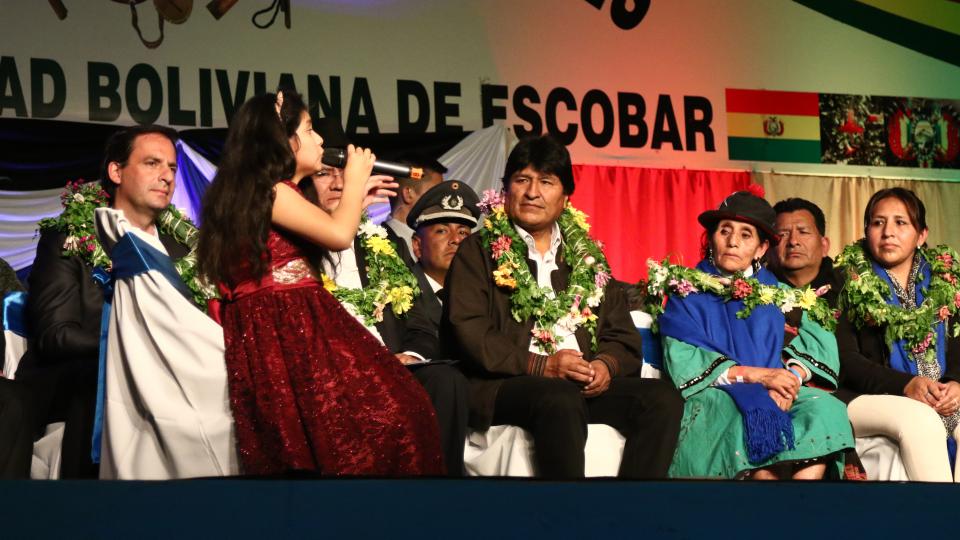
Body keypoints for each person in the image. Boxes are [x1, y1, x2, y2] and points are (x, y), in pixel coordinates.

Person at [197, 91, 443, 476]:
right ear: (283, 139)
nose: (321, 141)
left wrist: (354, 201)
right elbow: (339, 236)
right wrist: (355, 178)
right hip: (289, 327)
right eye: (310, 130)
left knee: (394, 411)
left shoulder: (268, 192)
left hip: (288, 324)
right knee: (393, 412)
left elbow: (320, 233)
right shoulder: (271, 189)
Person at [441, 134, 683, 479]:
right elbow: (470, 331)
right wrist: (543, 366)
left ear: (565, 196)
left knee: (662, 399)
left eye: (546, 181)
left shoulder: (586, 257)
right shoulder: (477, 251)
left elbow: (622, 336)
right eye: (522, 180)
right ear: (506, 189)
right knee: (559, 397)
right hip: (505, 385)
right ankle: (568, 509)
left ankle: (632, 505)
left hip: (578, 383)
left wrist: (605, 365)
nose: (532, 192)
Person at [19, 125, 190, 478]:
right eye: (152, 163)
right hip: (85, 381)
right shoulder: (70, 239)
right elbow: (56, 335)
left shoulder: (185, 250)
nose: (166, 176)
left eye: (172, 167)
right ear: (116, 171)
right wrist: (136, 343)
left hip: (174, 380)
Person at [657, 189, 854, 479]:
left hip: (778, 389)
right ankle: (765, 499)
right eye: (725, 231)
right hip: (717, 393)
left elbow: (818, 345)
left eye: (745, 235)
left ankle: (805, 500)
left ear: (761, 249)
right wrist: (761, 377)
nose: (733, 241)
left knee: (825, 408)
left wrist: (788, 382)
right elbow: (683, 361)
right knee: (749, 418)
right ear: (711, 239)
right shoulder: (686, 294)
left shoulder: (782, 295)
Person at [299, 158, 470, 477]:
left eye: (345, 175)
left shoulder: (385, 247)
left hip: (393, 367)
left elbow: (421, 325)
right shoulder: (296, 247)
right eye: (323, 174)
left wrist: (411, 355)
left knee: (446, 379)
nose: (339, 184)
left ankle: (443, 495)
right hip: (333, 371)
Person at [835, 187, 960, 481]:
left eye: (900, 222)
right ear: (866, 231)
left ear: (921, 235)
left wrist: (956, 382)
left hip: (939, 393)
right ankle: (940, 510)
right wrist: (906, 385)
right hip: (863, 397)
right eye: (878, 222)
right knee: (920, 418)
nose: (888, 232)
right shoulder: (845, 281)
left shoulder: (945, 279)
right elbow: (846, 361)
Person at [770, 197, 843, 307]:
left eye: (803, 232)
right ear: (767, 247)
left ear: (824, 245)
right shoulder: (755, 288)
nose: (793, 241)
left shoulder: (847, 289)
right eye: (783, 234)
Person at [383, 155, 444, 258]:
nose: (443, 201)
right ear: (408, 194)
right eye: (435, 193)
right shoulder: (379, 245)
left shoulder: (439, 240)